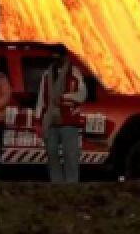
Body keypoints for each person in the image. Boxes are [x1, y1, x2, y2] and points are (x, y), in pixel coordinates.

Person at [34, 50, 87, 183]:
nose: (56, 61)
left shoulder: (75, 72)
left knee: (70, 154)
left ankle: (72, 183)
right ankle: (56, 183)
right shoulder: (47, 74)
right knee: (51, 153)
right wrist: (38, 120)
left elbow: (82, 95)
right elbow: (41, 98)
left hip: (69, 119)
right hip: (50, 119)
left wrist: (64, 97)